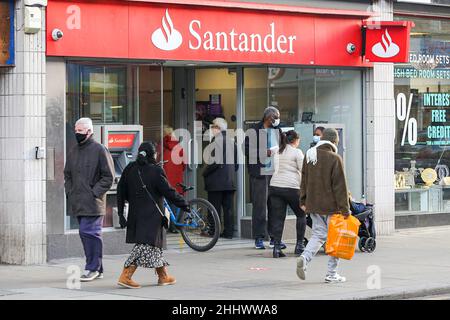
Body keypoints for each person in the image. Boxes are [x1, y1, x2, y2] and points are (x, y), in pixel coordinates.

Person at [116, 142, 190, 288]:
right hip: (151, 215)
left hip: (136, 214)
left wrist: (120, 213)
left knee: (154, 245)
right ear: (152, 155)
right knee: (144, 245)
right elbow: (168, 191)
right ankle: (126, 275)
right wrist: (184, 204)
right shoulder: (155, 171)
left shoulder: (130, 168)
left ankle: (163, 276)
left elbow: (120, 191)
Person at [296, 128, 351, 283]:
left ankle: (304, 258)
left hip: (313, 205)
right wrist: (345, 209)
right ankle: (331, 274)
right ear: (334, 142)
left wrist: (303, 201)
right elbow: (340, 187)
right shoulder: (335, 158)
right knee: (336, 239)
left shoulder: (310, 155)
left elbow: (304, 181)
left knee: (318, 235)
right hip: (332, 206)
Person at [64, 117, 115, 282]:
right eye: (76, 130)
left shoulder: (100, 150)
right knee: (86, 234)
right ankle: (98, 269)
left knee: (89, 233)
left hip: (94, 202)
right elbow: (68, 174)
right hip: (78, 200)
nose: (77, 133)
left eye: (80, 131)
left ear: (89, 131)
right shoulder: (73, 151)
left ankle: (92, 268)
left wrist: (94, 193)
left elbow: (109, 177)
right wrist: (70, 191)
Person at [245, 106, 283, 250]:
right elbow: (246, 149)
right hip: (259, 174)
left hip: (274, 172)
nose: (278, 120)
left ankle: (274, 238)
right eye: (276, 117)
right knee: (260, 206)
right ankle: (259, 237)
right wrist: (265, 152)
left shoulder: (277, 130)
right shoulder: (254, 130)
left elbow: (283, 145)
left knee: (275, 206)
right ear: (269, 117)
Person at [268, 130, 306, 258]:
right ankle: (299, 246)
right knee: (301, 214)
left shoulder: (278, 151)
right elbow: (303, 170)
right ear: (295, 140)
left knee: (278, 218)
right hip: (291, 188)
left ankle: (277, 248)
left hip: (275, 186)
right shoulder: (297, 152)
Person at [203, 118, 238, 239]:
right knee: (228, 209)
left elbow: (214, 162)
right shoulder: (231, 141)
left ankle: (213, 231)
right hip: (229, 181)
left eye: (212, 127)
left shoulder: (216, 141)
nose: (211, 129)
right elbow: (237, 164)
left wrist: (205, 172)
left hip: (216, 182)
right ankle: (229, 233)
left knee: (214, 208)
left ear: (217, 128)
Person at [157, 125, 187, 234]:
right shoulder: (179, 147)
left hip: (164, 178)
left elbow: (157, 161)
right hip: (177, 179)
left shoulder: (161, 146)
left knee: (163, 201)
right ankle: (174, 226)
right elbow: (184, 165)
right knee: (174, 201)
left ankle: (164, 226)